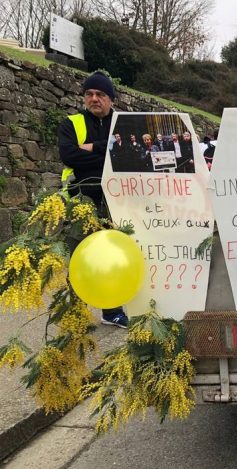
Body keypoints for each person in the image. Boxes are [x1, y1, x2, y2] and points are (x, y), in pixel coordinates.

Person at [57, 71, 129, 328]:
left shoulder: (122, 123)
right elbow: (70, 157)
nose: (94, 98)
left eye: (100, 94)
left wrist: (91, 147)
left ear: (111, 98)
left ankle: (112, 310)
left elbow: (127, 155)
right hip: (81, 199)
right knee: (80, 256)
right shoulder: (72, 123)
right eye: (89, 94)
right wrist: (107, 148)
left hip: (116, 200)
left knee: (111, 257)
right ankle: (74, 313)